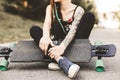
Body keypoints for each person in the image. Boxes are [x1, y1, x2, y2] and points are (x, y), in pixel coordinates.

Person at [30, 0, 95, 78]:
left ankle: (57, 60)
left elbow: (72, 32)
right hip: (55, 45)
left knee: (89, 16)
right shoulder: (51, 8)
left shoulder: (78, 10)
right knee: (34, 30)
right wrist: (45, 36)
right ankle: (60, 60)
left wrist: (63, 47)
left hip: (73, 46)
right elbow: (47, 24)